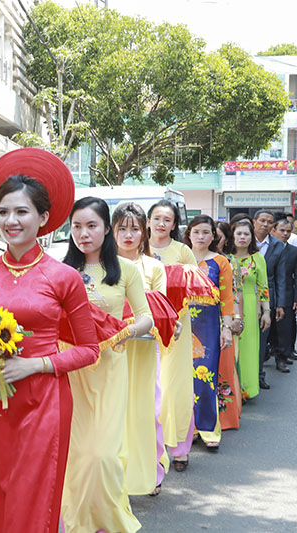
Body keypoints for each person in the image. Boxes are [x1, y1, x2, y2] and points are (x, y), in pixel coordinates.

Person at [0, 148, 99, 533]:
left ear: (43, 219)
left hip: (45, 400)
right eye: (4, 211)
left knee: (35, 496)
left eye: (21, 212)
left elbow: (89, 349)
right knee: (2, 490)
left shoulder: (63, 277)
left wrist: (35, 364)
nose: (11, 220)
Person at [61, 197, 152, 532]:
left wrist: (123, 333)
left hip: (111, 367)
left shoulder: (126, 271)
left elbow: (146, 318)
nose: (83, 234)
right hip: (71, 370)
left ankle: (110, 517)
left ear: (106, 230)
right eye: (76, 226)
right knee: (79, 453)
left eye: (91, 226)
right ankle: (79, 519)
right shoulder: (62, 271)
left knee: (104, 454)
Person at [113, 202, 171, 497]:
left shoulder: (154, 266)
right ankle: (117, 476)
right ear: (112, 231)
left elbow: (157, 309)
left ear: (144, 232)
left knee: (148, 409)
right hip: (112, 351)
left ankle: (152, 469)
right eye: (121, 228)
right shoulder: (101, 267)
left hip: (145, 349)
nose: (128, 234)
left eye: (134, 228)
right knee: (115, 413)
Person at [148, 200, 196, 472]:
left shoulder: (183, 251)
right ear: (149, 221)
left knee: (176, 385)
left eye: (167, 219)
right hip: (145, 325)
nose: (161, 224)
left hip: (178, 321)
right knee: (150, 385)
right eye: (157, 218)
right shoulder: (137, 249)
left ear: (174, 224)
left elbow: (196, 284)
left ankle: (179, 447)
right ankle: (151, 450)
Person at [183, 215, 235, 450]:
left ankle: (207, 429)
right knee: (182, 378)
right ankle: (187, 428)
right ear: (189, 234)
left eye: (206, 232)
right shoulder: (180, 258)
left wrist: (227, 329)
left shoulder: (221, 262)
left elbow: (227, 298)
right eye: (197, 232)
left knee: (206, 377)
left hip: (209, 326)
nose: (201, 237)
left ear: (213, 236)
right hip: (182, 325)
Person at [230, 215, 271, 399]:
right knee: (232, 348)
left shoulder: (257, 259)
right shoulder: (226, 259)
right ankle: (230, 389)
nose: (243, 237)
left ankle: (247, 390)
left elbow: (263, 287)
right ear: (232, 236)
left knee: (248, 349)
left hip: (251, 306)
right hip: (230, 305)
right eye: (239, 233)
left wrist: (266, 311)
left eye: (247, 234)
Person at [215, 221, 244, 430]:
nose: (214, 239)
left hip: (223, 318)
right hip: (198, 320)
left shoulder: (230, 261)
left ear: (226, 238)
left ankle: (225, 416)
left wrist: (237, 318)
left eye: (218, 235)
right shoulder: (188, 258)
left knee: (225, 367)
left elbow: (235, 293)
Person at [252, 209, 287, 385]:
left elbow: (281, 276)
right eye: (262, 220)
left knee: (261, 339)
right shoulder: (243, 239)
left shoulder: (278, 245)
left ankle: (258, 376)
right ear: (254, 222)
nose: (265, 224)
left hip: (267, 298)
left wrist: (280, 304)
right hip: (244, 296)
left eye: (269, 222)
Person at [271, 217, 297, 372]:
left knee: (285, 328)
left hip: (288, 295)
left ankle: (282, 358)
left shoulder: (295, 251)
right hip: (268, 293)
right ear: (274, 230)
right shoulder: (265, 248)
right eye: (282, 230)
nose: (285, 234)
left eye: (288, 231)